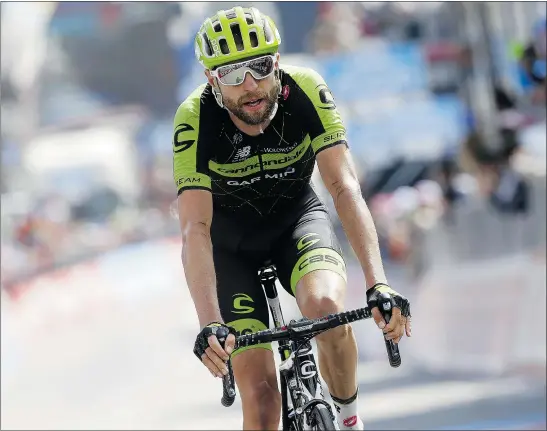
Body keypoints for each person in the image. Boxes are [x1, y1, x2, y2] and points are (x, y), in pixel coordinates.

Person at [172, 7, 411, 430]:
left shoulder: (305, 90)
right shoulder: (195, 118)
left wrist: (378, 282)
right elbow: (195, 228)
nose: (250, 86)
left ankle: (350, 421)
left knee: (325, 309)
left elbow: (344, 187)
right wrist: (210, 323)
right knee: (262, 402)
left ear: (277, 63)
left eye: (261, 67)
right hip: (232, 249)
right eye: (231, 75)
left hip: (296, 221)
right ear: (211, 81)